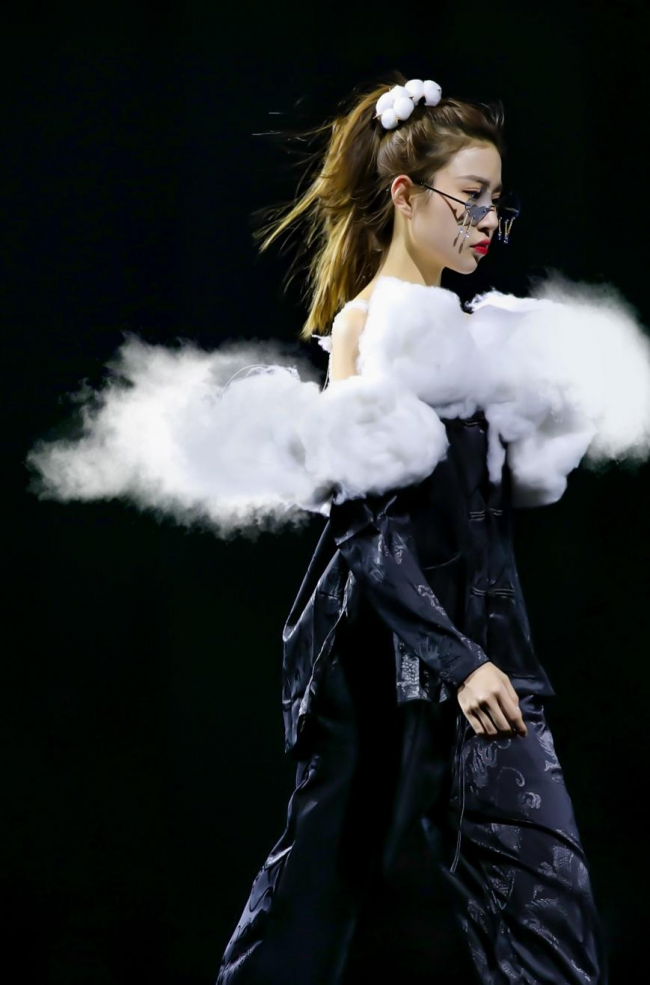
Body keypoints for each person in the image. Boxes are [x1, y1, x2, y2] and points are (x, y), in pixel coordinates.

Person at [28, 71, 650, 982]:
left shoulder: (472, 333)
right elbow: (367, 531)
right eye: (471, 197)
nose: (488, 221)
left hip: (480, 664)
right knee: (318, 900)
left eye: (497, 204)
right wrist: (462, 662)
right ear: (405, 194)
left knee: (535, 918)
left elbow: (483, 523)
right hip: (402, 671)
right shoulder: (370, 327)